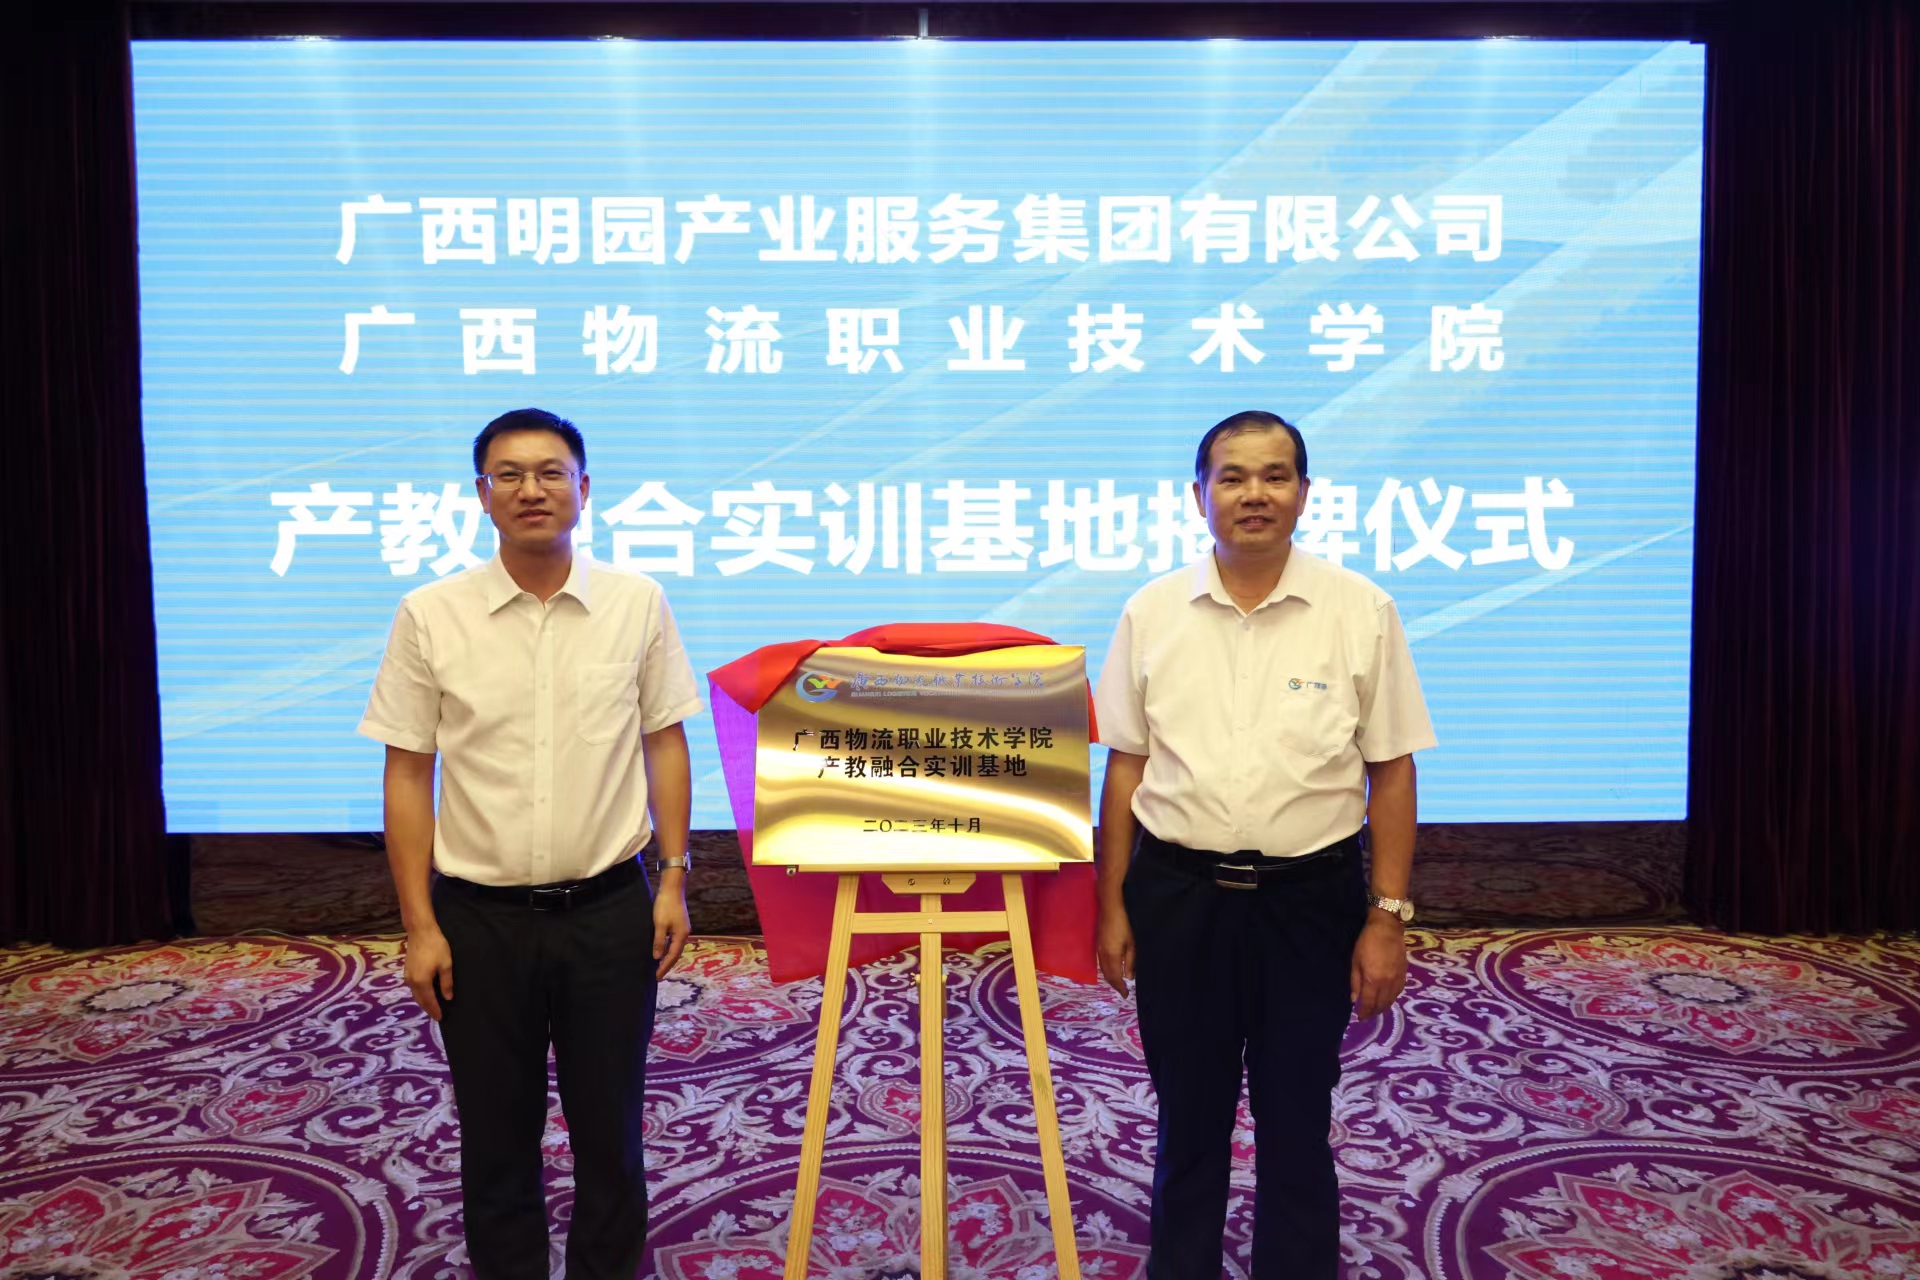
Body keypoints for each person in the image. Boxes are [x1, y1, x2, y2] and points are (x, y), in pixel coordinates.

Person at [1093, 410, 1434, 1279]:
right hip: (1179, 897)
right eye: (1233, 477)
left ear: (1304, 493)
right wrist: (1113, 907)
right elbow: (1125, 767)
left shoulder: (1359, 610)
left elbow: (1392, 769)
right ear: (1199, 494)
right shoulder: (1152, 611)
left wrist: (1386, 918)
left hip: (1309, 902)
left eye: (1275, 476)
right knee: (1189, 1116)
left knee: (1297, 1116)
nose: (1255, 494)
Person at [359, 407, 700, 1279]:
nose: (531, 489)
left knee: (610, 1131)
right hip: (478, 920)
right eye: (508, 474)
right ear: (482, 496)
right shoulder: (431, 613)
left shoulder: (636, 602)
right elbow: (408, 773)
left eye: (551, 472)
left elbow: (664, 741)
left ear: (585, 489)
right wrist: (420, 926)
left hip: (609, 911)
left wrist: (672, 878)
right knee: (495, 1135)